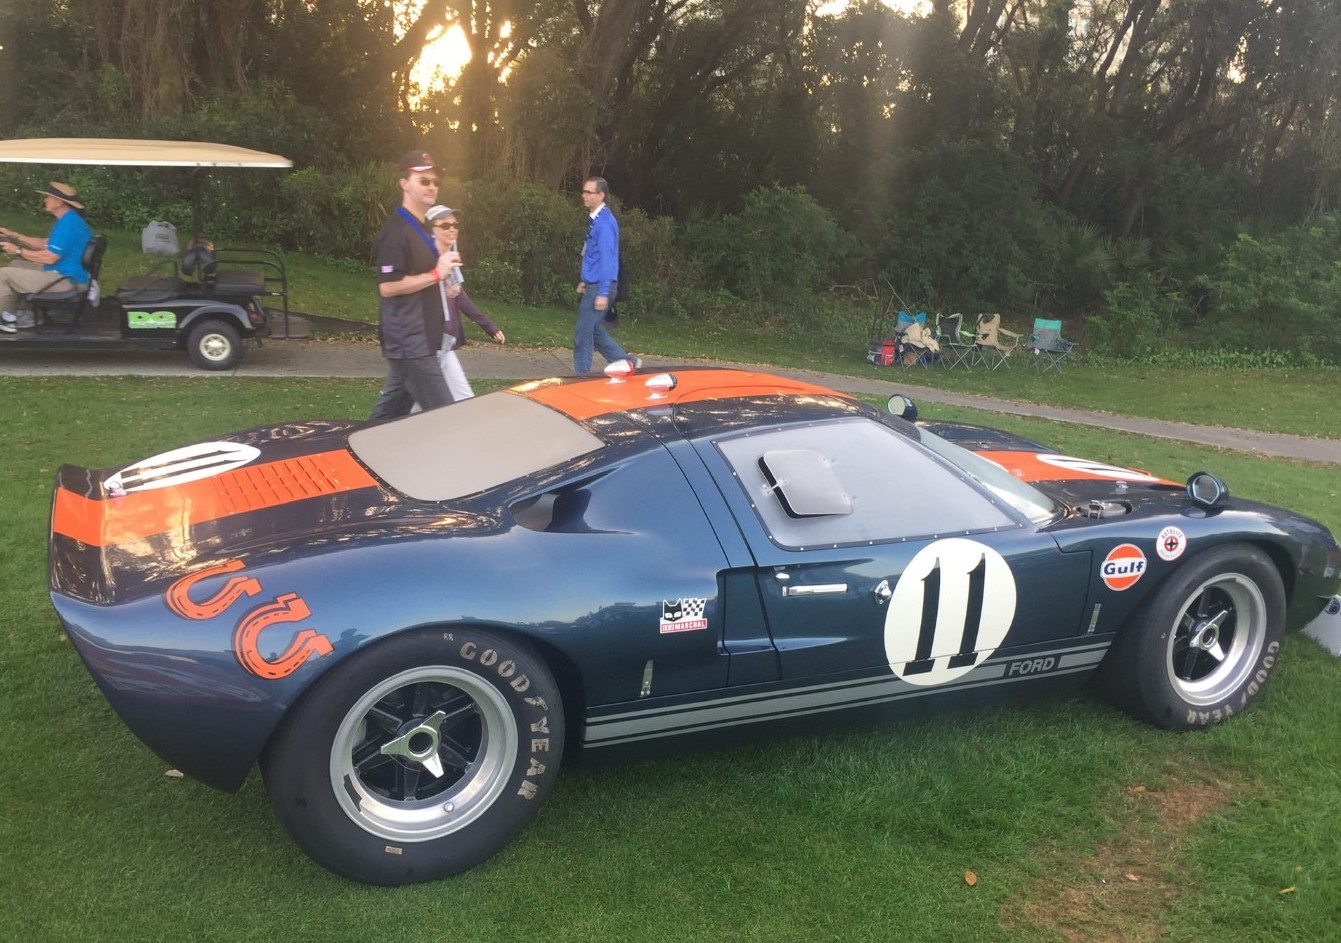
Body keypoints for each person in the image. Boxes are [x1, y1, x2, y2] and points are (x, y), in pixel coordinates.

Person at [367, 150, 461, 420]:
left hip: (420, 342)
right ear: (404, 183)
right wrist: (437, 273)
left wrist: (444, 281)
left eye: (435, 182)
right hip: (410, 344)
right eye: (424, 180)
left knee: (387, 421)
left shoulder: (422, 228)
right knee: (447, 418)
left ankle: (356, 445)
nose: (432, 186)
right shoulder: (397, 230)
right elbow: (388, 286)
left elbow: (422, 277)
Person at [425, 204, 505, 401]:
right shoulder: (425, 260)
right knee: (421, 401)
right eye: (445, 225)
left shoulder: (450, 260)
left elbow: (461, 299)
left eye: (455, 225)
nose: (452, 229)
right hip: (428, 343)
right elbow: (416, 298)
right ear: (432, 230)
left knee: (461, 397)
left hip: (444, 342)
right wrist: (443, 291)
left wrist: (490, 327)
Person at [0, 182, 94, 333]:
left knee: (3, 274)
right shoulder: (69, 220)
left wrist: (18, 250)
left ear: (59, 202)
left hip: (66, 280)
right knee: (15, 265)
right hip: (65, 273)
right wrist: (14, 235)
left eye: (49, 197)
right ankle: (26, 314)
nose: (45, 200)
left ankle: (7, 320)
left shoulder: (68, 224)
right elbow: (44, 244)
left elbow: (49, 258)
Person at [573, 177, 638, 374]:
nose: (584, 195)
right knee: (594, 331)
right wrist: (586, 280)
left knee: (582, 336)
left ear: (601, 195)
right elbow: (594, 255)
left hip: (601, 288)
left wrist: (602, 292)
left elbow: (608, 259)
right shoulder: (596, 220)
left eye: (589, 192)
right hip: (595, 285)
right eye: (584, 191)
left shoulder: (605, 223)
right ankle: (628, 362)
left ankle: (581, 380)